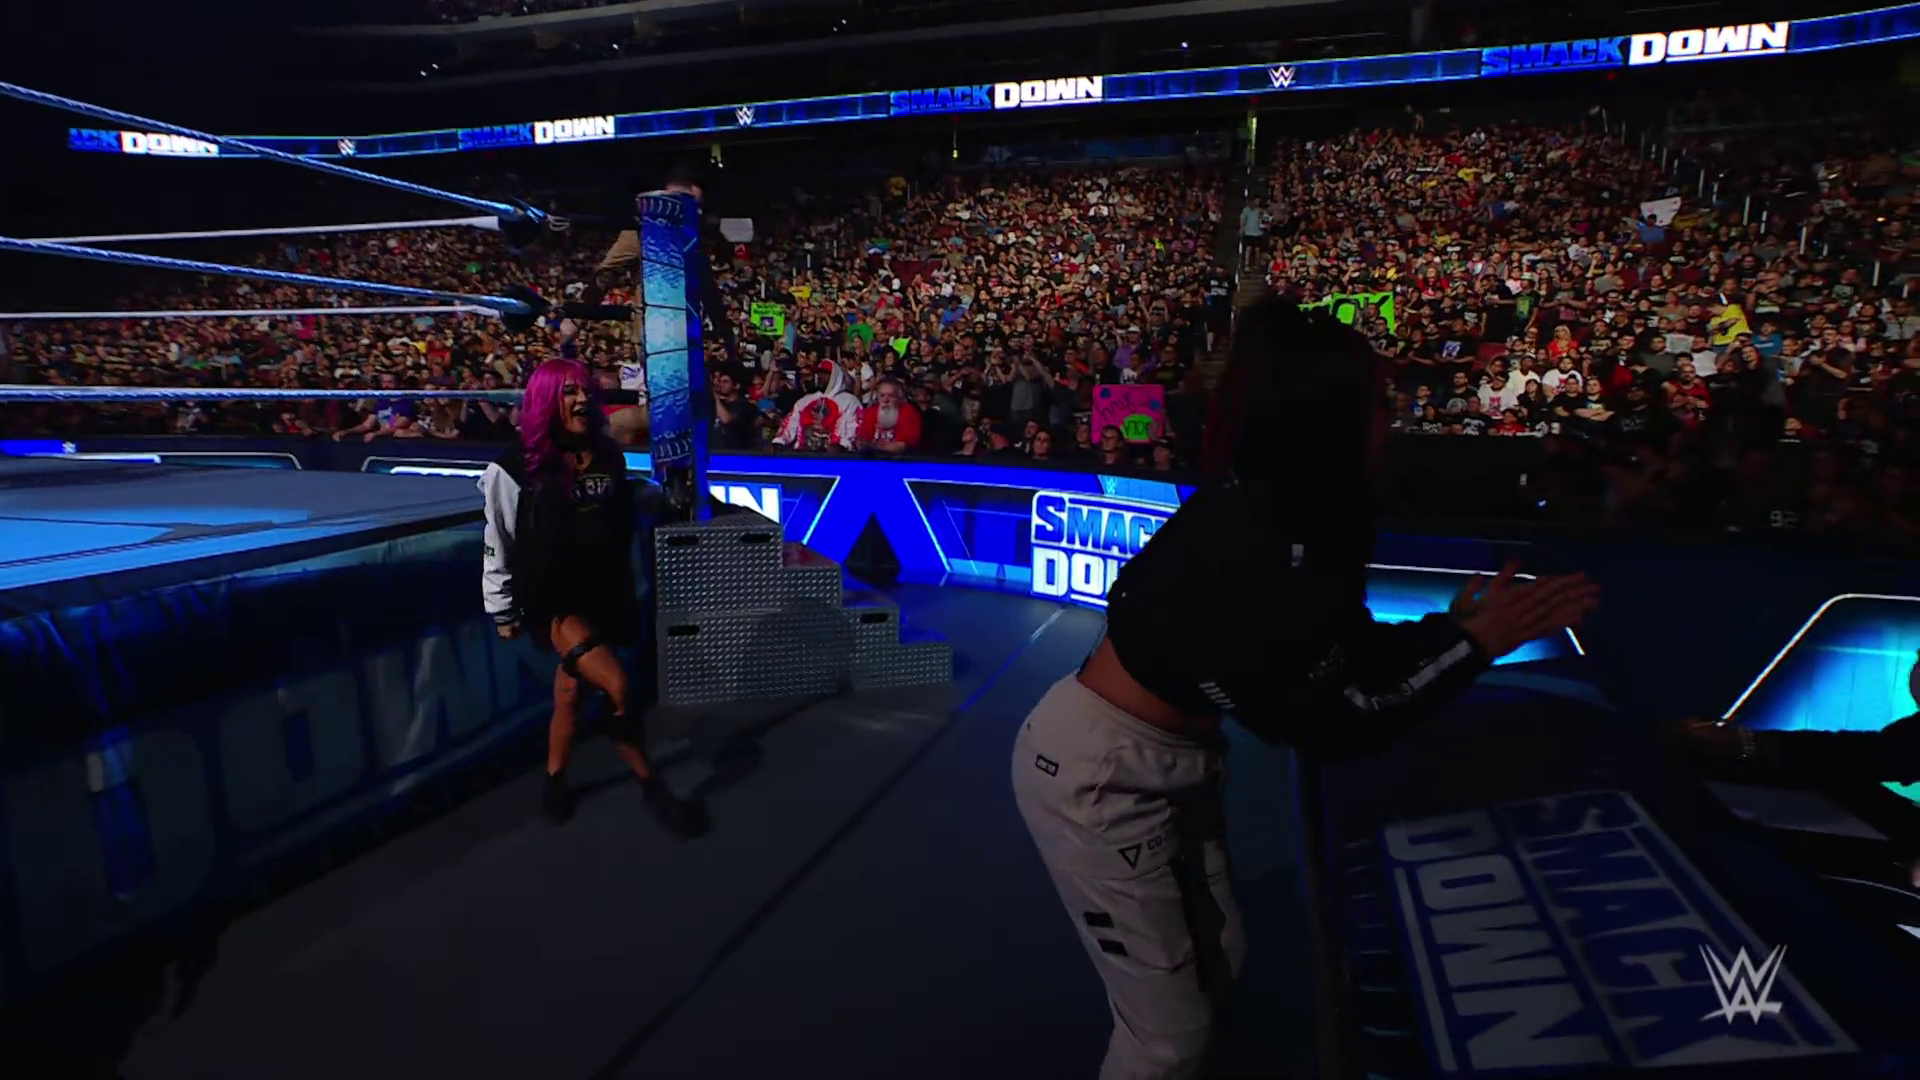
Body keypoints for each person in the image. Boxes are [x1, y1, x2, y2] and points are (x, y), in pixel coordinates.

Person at [1010, 299, 1600, 1080]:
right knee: (1168, 1039)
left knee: (1224, 954)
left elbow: (1340, 652)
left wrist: (1450, 632)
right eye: (1379, 404)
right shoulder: (1257, 537)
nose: (1394, 421)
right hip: (1101, 777)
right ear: (1332, 416)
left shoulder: (1303, 514)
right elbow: (1331, 720)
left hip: (1169, 758)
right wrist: (1471, 645)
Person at [479, 340, 705, 836]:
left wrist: (657, 500)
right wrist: (502, 609)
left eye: (585, 390)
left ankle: (555, 781)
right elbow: (498, 539)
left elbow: (618, 511)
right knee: (619, 688)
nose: (581, 399)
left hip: (605, 591)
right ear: (546, 401)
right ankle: (654, 788)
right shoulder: (514, 468)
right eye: (568, 392)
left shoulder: (606, 455)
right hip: (554, 599)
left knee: (569, 694)